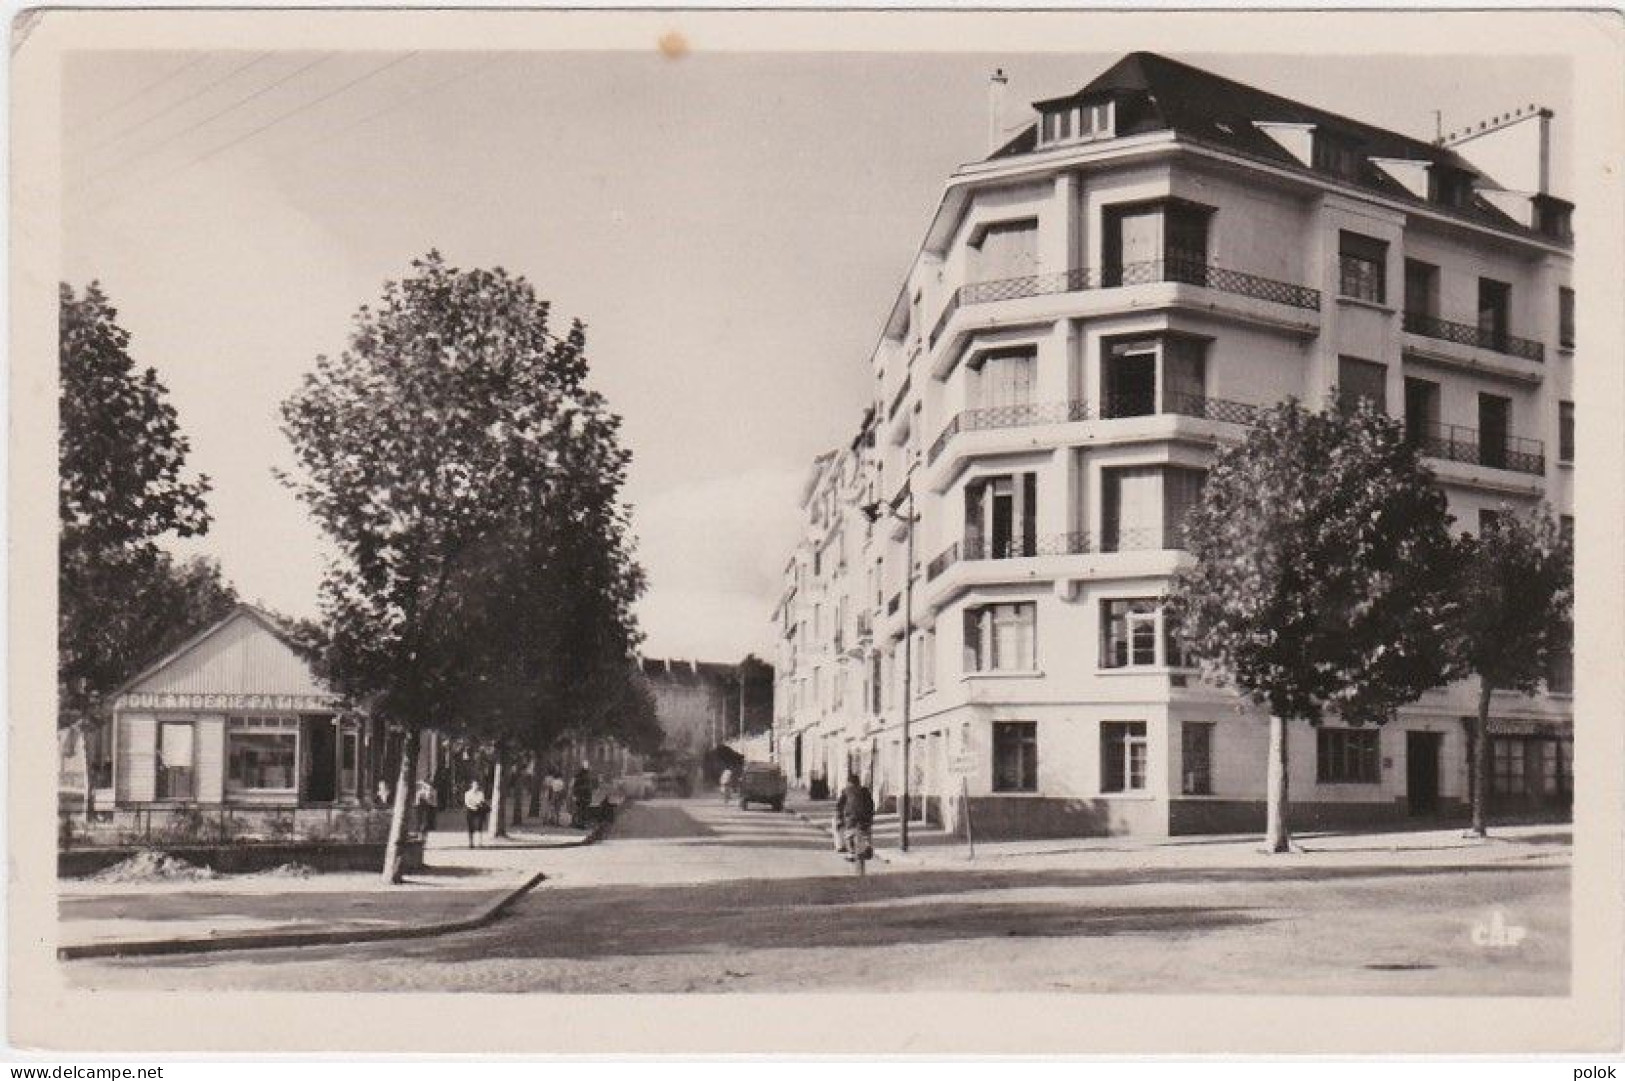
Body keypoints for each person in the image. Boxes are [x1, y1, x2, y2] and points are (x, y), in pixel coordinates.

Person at [836, 773, 875, 874]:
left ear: (848, 783)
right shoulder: (865, 791)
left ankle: (850, 853)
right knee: (867, 832)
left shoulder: (845, 791)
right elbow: (871, 805)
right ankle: (868, 845)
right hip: (864, 820)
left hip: (851, 820)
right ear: (858, 782)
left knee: (847, 834)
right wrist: (870, 817)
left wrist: (839, 818)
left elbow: (839, 806)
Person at [463, 780, 489, 848]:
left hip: (479, 811)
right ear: (472, 785)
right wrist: (474, 805)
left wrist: (479, 805)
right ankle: (471, 843)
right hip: (470, 811)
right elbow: (467, 803)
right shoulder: (467, 793)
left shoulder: (481, 793)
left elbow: (482, 801)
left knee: (479, 827)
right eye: (474, 785)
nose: (476, 786)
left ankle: (479, 843)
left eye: (477, 785)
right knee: (470, 827)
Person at [571, 765, 595, 829]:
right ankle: (582, 823)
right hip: (585, 797)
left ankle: (580, 823)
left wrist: (575, 794)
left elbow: (575, 787)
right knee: (584, 810)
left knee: (580, 810)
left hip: (580, 797)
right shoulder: (588, 778)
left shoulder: (578, 777)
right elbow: (590, 788)